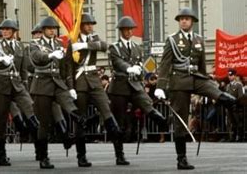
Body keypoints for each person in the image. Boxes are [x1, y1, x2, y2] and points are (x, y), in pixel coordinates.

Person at [155, 7, 237, 170]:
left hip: (196, 77)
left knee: (211, 87)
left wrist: (207, 80)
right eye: (181, 19)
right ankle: (181, 158)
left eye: (187, 18)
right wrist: (160, 87)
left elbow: (201, 66)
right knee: (181, 121)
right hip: (179, 80)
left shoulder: (199, 39)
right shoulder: (172, 40)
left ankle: (224, 99)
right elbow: (165, 64)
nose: (184, 21)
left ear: (192, 21)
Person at [29, 16, 88, 169]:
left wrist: (71, 87)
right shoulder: (35, 44)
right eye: (49, 28)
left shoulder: (60, 44)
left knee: (70, 106)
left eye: (54, 28)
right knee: (45, 123)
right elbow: (36, 58)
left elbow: (66, 67)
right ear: (43, 30)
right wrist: (50, 55)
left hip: (58, 82)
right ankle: (43, 157)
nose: (52, 31)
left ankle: (80, 121)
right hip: (42, 83)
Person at [108, 16, 167, 166]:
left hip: (134, 85)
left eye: (130, 29)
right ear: (121, 31)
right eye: (126, 29)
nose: (128, 32)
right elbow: (118, 62)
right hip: (119, 86)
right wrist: (129, 68)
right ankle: (119, 154)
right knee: (119, 122)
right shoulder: (114, 47)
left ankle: (159, 119)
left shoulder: (136, 47)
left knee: (146, 103)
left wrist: (140, 70)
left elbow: (140, 67)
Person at [67, 13, 122, 167]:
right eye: (87, 24)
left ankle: (119, 154)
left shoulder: (93, 38)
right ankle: (81, 156)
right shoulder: (71, 41)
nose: (91, 26)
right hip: (80, 82)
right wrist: (70, 87)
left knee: (107, 113)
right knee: (81, 121)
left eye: (92, 24)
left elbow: (105, 47)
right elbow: (68, 67)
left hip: (94, 81)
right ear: (81, 26)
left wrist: (85, 45)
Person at [0, 19, 40, 166]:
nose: (4, 32)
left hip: (18, 85)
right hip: (2, 84)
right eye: (3, 30)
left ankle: (39, 149)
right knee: (2, 121)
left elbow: (23, 68)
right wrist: (0, 58)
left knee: (32, 111)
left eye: (7, 29)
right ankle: (1, 155)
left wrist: (25, 86)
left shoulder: (19, 46)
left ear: (13, 31)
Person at [225, 69, 244, 142]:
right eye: (229, 75)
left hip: (237, 107)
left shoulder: (238, 85)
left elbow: (241, 96)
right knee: (232, 122)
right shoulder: (228, 86)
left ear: (234, 76)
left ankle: (240, 136)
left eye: (231, 75)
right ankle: (233, 136)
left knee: (238, 122)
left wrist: (236, 103)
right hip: (230, 107)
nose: (230, 77)